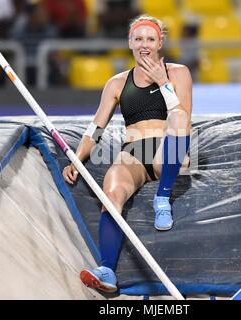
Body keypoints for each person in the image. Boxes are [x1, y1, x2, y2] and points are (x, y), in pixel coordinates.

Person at [62, 15, 192, 293]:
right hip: (134, 152)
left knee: (179, 121)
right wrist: (76, 158)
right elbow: (95, 129)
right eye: (138, 39)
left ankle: (162, 198)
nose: (144, 45)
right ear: (130, 43)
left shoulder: (178, 72)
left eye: (150, 39)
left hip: (169, 148)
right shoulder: (117, 83)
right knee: (112, 192)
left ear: (160, 44)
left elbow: (183, 117)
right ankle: (107, 269)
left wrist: (163, 83)